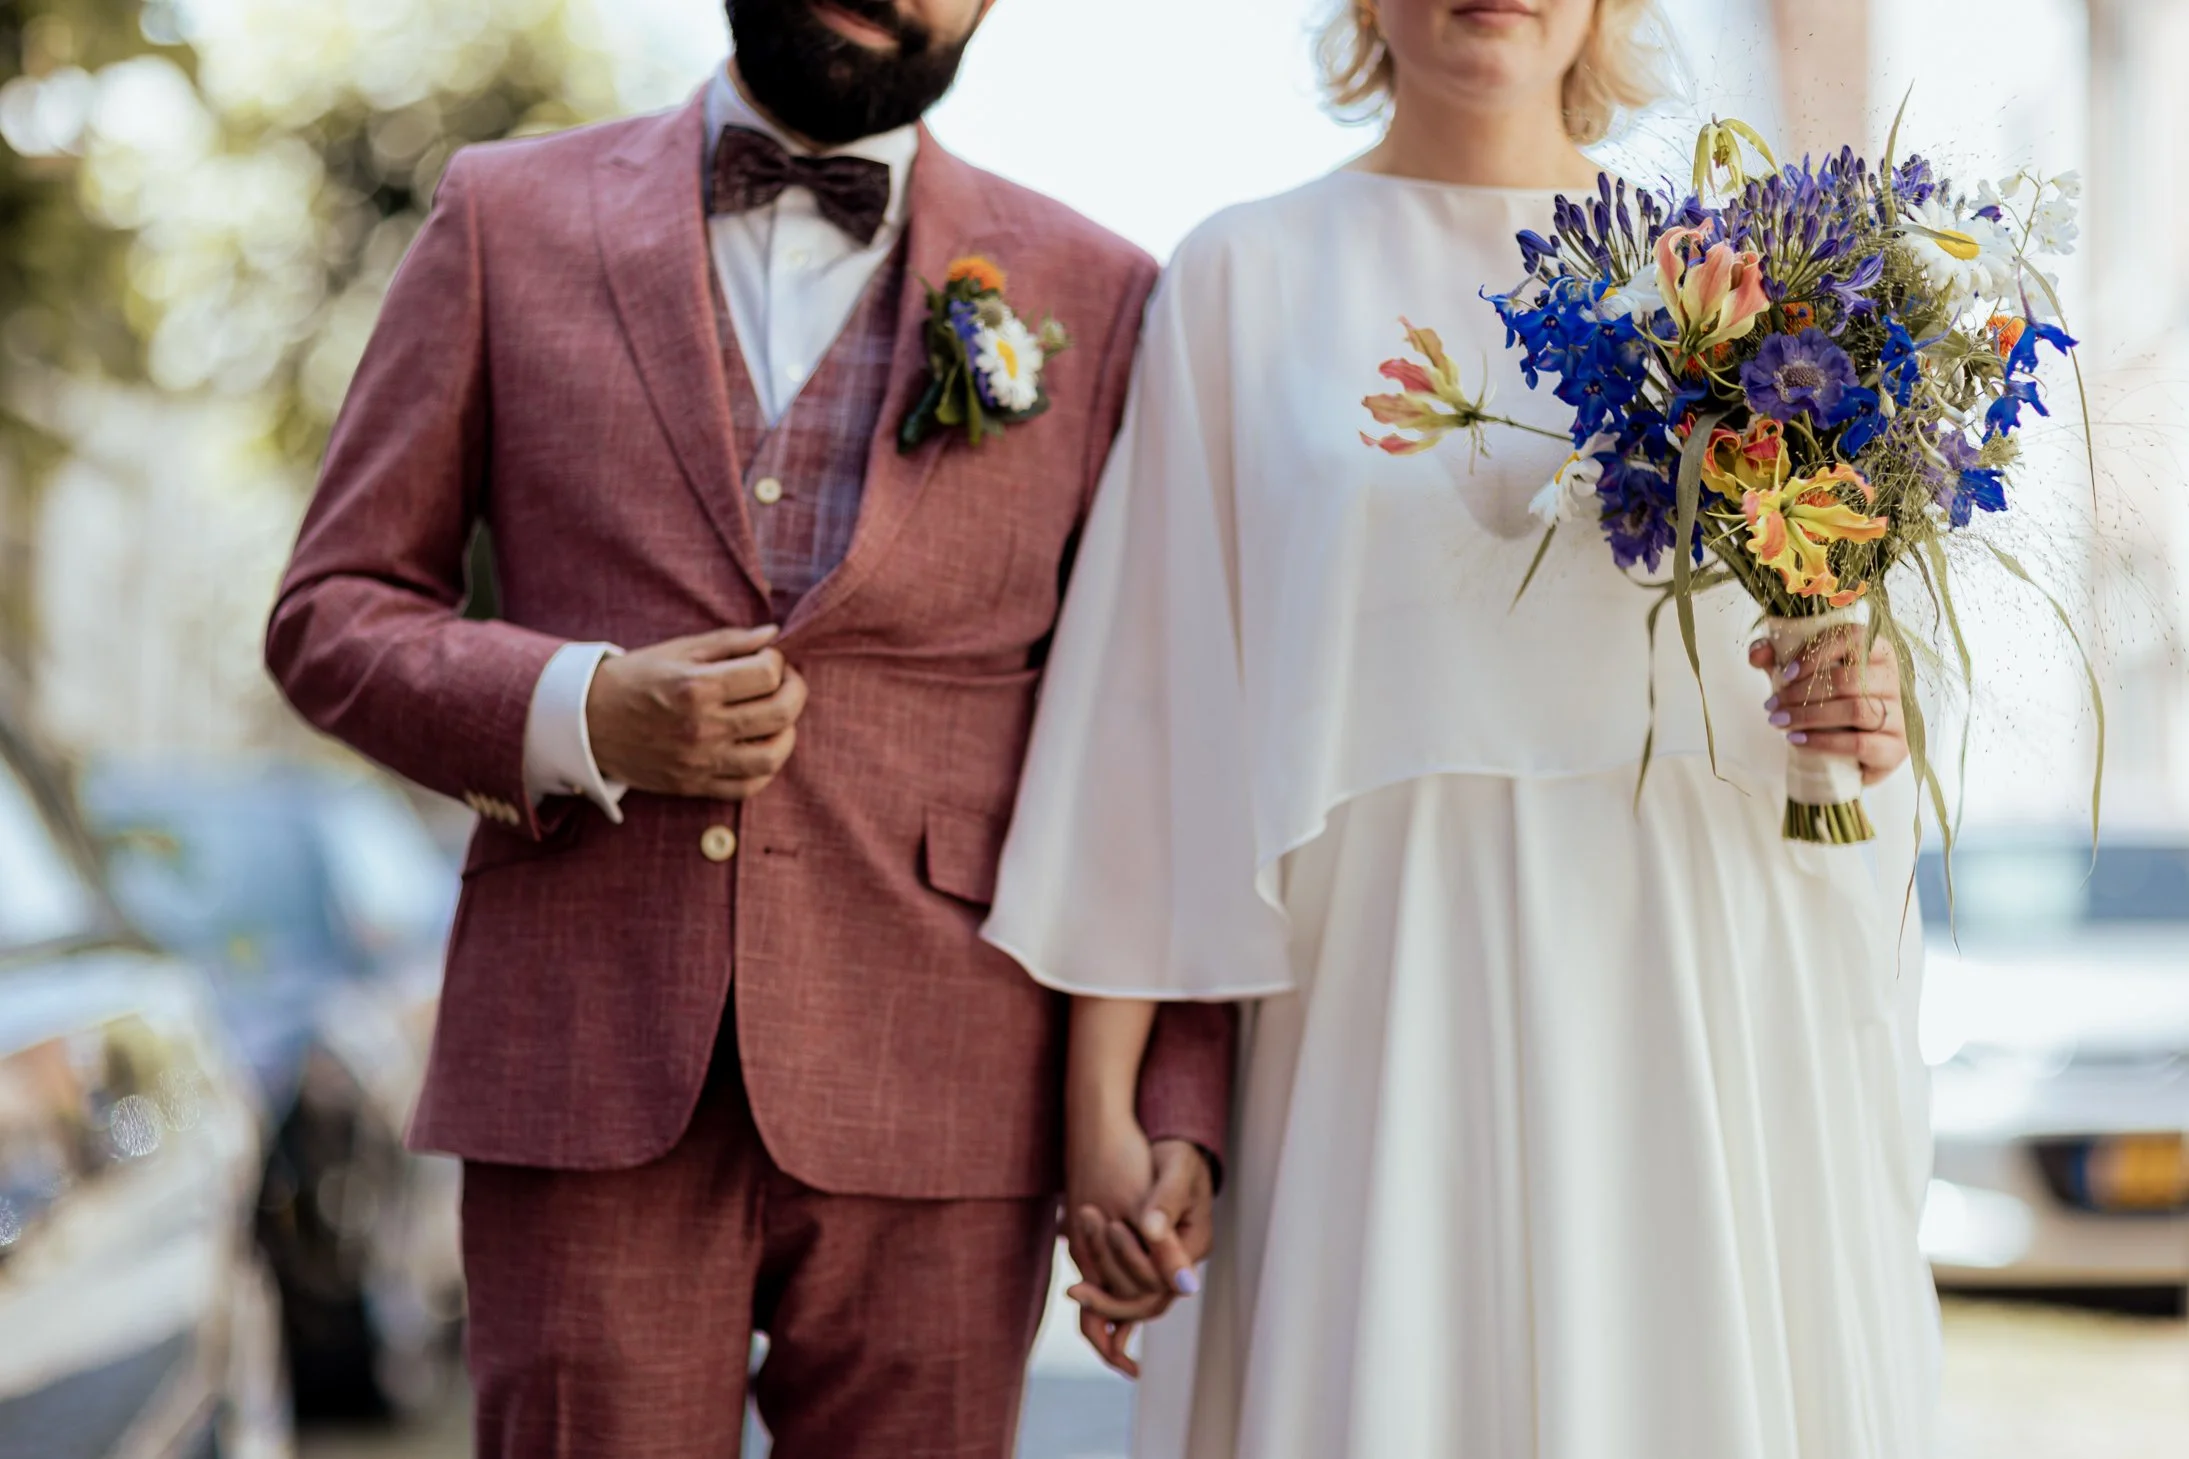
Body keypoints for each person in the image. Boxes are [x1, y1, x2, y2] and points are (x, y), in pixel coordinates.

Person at [263, 2, 1235, 1454]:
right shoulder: (503, 216)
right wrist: (581, 709)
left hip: (949, 1081)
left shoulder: (1102, 293)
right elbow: (332, 612)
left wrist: (1174, 1092)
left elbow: (1152, 732)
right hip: (585, 1060)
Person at [983, 1, 1942, 1455]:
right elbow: (1152, 704)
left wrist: (1865, 704)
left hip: (1695, 987)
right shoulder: (1242, 276)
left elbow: (1833, 656)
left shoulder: (1744, 278)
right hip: (1384, 996)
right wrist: (1099, 1100)